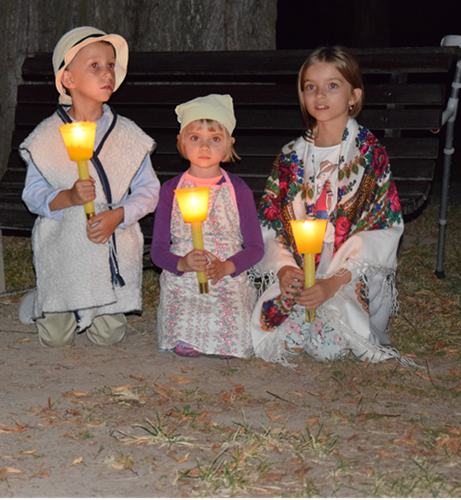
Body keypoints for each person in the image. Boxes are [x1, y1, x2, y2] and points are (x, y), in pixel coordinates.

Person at [251, 46, 404, 365]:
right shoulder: (291, 156)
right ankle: (304, 310)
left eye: (332, 85)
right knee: (285, 338)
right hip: (300, 267)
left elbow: (383, 226)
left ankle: (334, 315)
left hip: (347, 273)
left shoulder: (369, 154)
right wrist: (284, 268)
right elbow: (271, 221)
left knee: (328, 349)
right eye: (311, 86)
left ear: (354, 96)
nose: (320, 95)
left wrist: (332, 282)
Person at [18, 26, 160, 347]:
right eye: (94, 65)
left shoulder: (128, 135)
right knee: (55, 339)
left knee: (109, 336)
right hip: (65, 248)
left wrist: (119, 215)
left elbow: (148, 191)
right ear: (68, 79)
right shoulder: (47, 136)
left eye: (110, 65)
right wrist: (67, 197)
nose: (107, 73)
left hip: (109, 245)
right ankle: (44, 299)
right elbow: (33, 195)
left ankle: (95, 307)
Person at [151, 94, 264, 358]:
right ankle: (183, 336)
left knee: (231, 315)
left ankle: (227, 340)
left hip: (227, 275)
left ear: (228, 144)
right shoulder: (170, 190)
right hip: (184, 278)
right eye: (195, 138)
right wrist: (182, 263)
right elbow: (157, 250)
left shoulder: (238, 189)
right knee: (183, 309)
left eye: (214, 139)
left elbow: (256, 247)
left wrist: (227, 267)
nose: (204, 147)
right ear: (181, 141)